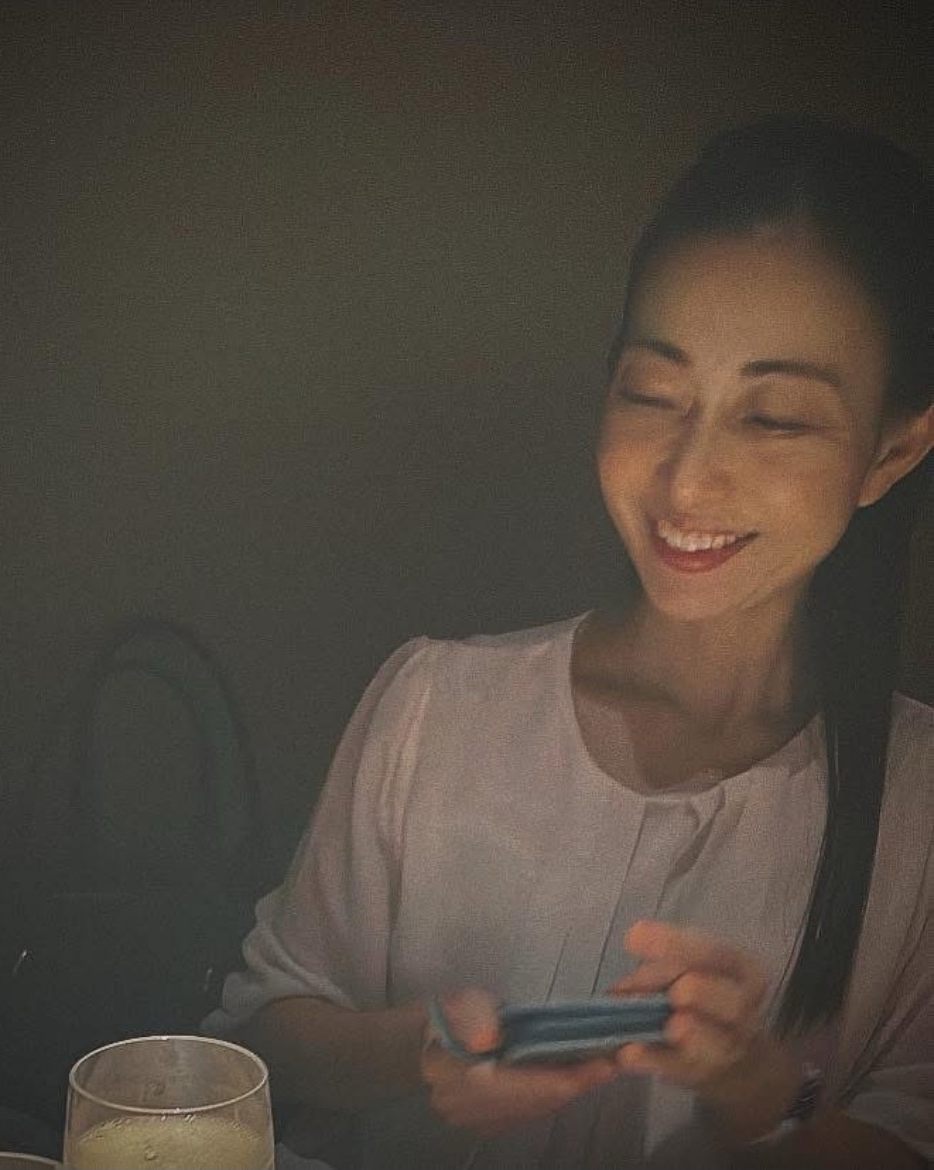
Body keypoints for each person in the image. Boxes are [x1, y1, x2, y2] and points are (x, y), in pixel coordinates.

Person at [203, 116, 934, 1169]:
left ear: (892, 452)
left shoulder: (919, 811)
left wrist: (761, 1099)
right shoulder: (437, 706)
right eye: (653, 393)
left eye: (773, 418)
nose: (687, 479)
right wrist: (422, 1048)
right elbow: (263, 1036)